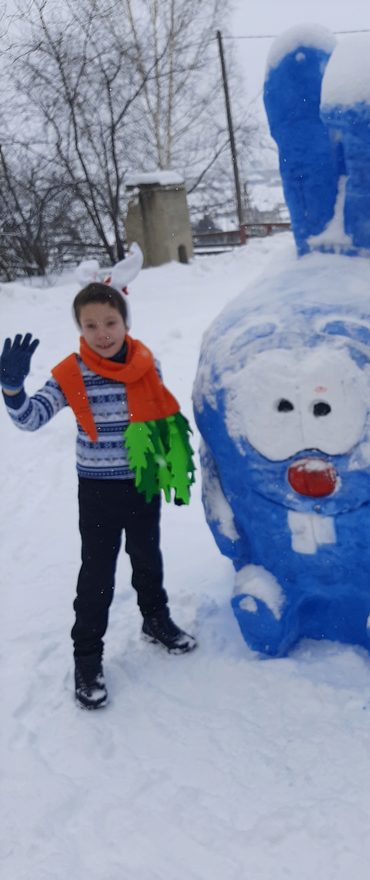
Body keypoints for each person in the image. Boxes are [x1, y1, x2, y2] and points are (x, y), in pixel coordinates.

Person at [1, 248, 197, 709]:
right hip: (98, 490)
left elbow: (162, 421)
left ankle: (156, 620)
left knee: (148, 558)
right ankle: (87, 657)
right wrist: (12, 390)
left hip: (143, 483)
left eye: (109, 323)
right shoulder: (73, 374)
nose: (101, 333)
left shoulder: (148, 366)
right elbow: (30, 419)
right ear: (80, 329)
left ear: (125, 322)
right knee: (98, 575)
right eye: (90, 326)